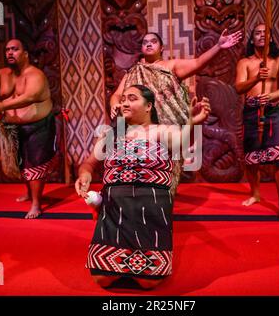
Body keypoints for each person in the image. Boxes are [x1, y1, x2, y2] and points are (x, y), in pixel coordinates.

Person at [76, 85, 210, 289]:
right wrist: (84, 175)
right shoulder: (111, 134)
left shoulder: (162, 131)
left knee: (149, 281)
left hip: (151, 207)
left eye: (132, 98)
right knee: (101, 279)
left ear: (148, 106)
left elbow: (180, 144)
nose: (124, 103)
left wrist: (191, 123)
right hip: (114, 209)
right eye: (123, 99)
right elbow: (89, 164)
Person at [109, 30, 242, 194]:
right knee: (141, 174)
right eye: (145, 42)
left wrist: (218, 46)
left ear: (161, 48)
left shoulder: (170, 66)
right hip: (141, 128)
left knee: (167, 175)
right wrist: (115, 104)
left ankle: (163, 203)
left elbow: (199, 62)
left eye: (153, 41)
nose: (149, 44)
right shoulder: (133, 71)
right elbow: (116, 94)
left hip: (167, 127)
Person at [0, 39, 56, 219]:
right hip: (14, 127)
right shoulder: (2, 74)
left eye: (15, 49)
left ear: (25, 54)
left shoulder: (36, 75)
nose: (10, 52)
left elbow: (30, 96)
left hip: (38, 126)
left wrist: (2, 105)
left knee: (34, 163)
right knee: (21, 163)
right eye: (8, 50)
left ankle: (36, 204)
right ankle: (29, 193)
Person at [234, 23, 279, 222]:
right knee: (251, 158)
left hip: (272, 112)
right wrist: (256, 78)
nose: (261, 36)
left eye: (265, 33)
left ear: (271, 38)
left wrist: (270, 96)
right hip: (251, 111)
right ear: (252, 39)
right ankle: (256, 194)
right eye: (257, 33)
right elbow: (239, 88)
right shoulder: (245, 62)